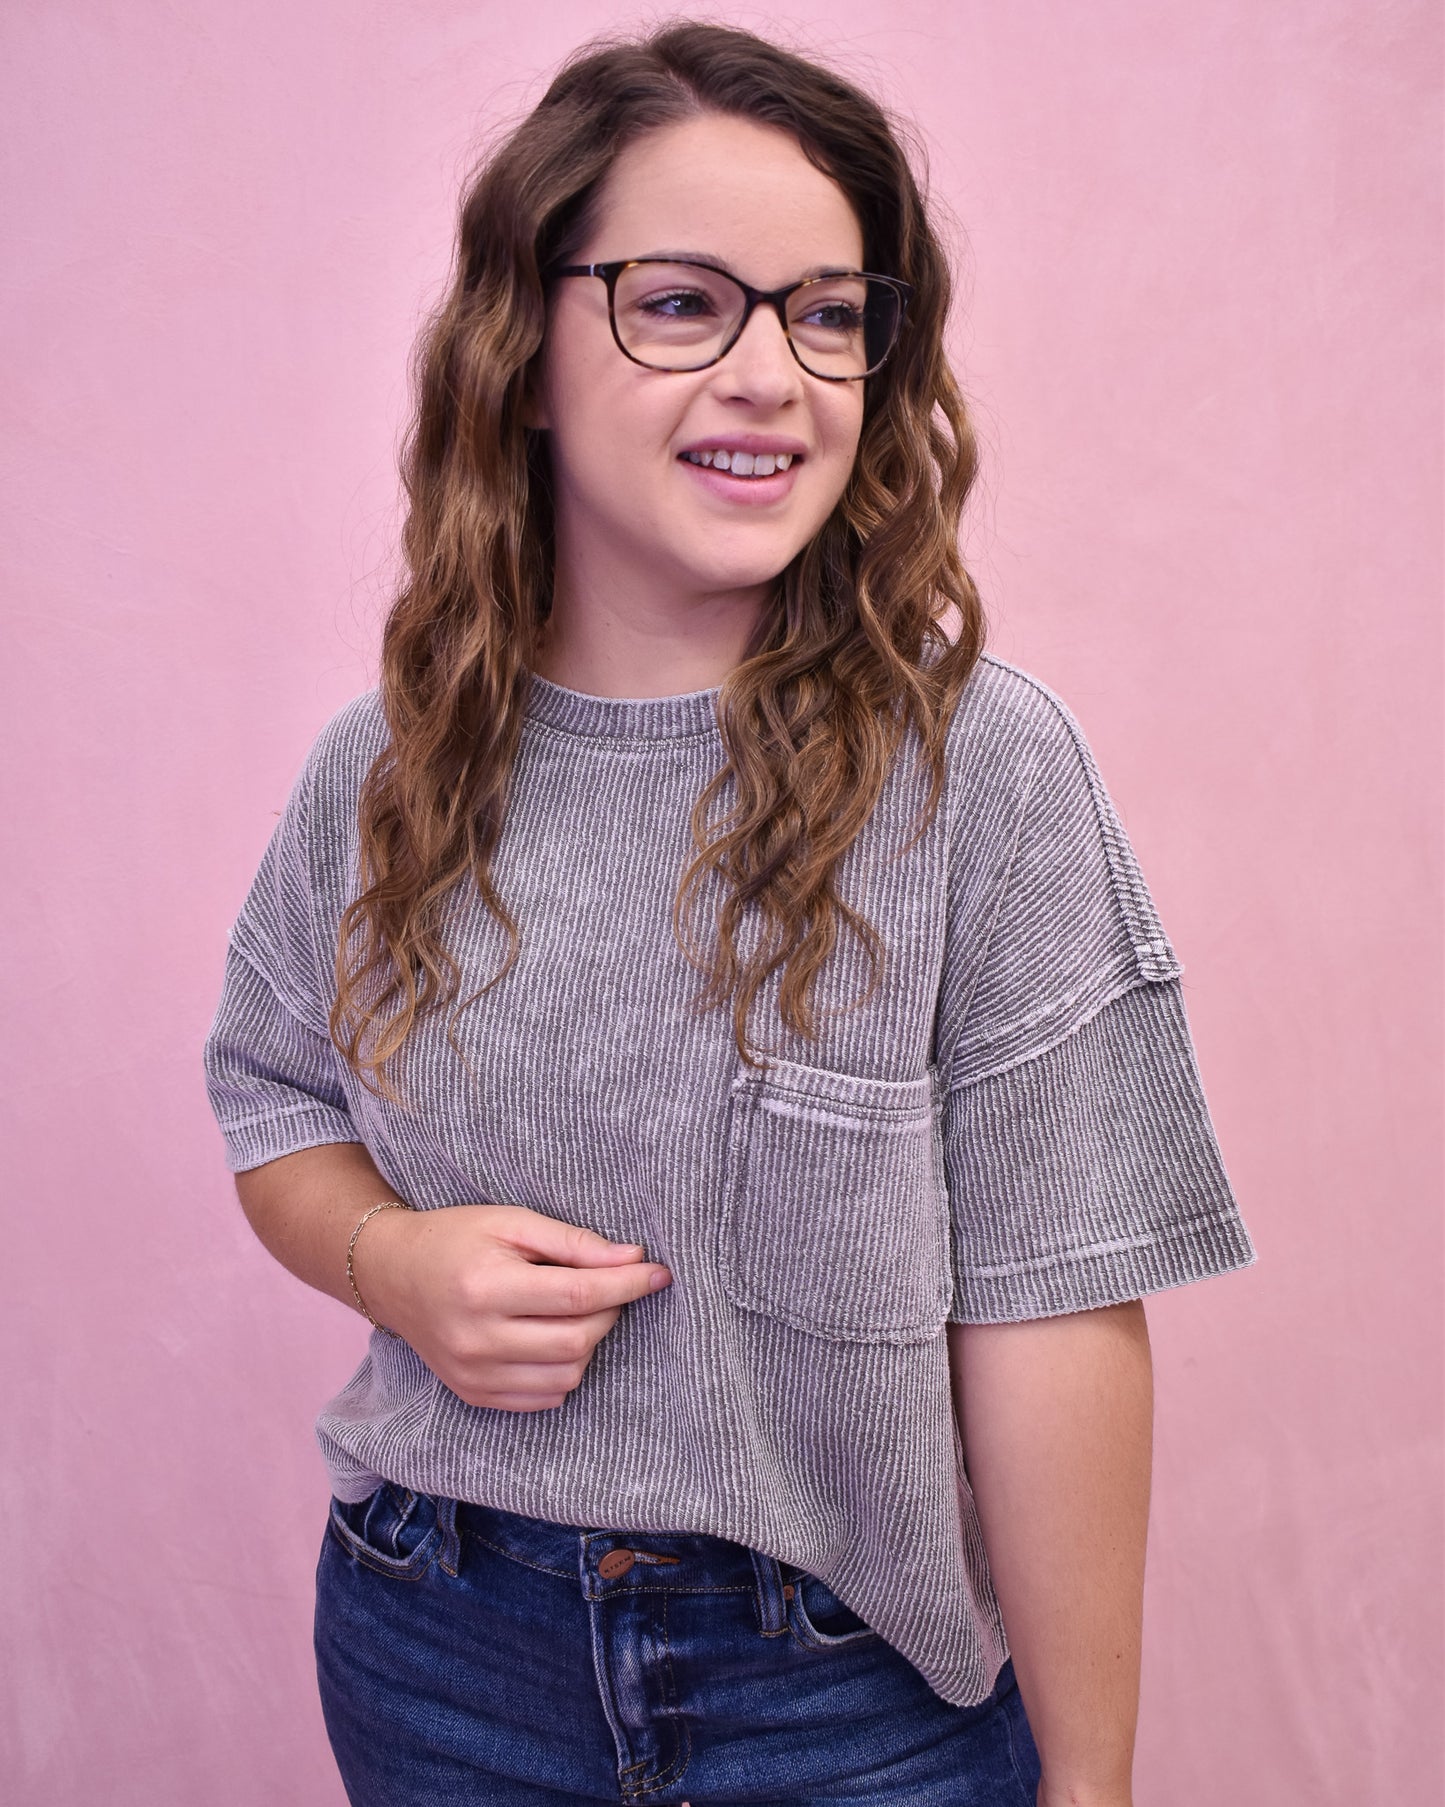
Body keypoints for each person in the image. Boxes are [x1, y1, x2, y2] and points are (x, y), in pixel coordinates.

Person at [202, 21, 1257, 1807]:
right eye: (683, 303)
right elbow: (273, 1102)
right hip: (437, 1647)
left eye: (829, 312)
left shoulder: (974, 772)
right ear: (523, 351)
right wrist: (392, 1261)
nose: (776, 371)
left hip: (851, 1703)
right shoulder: (385, 762)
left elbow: (1053, 1304)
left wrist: (1087, 1791)